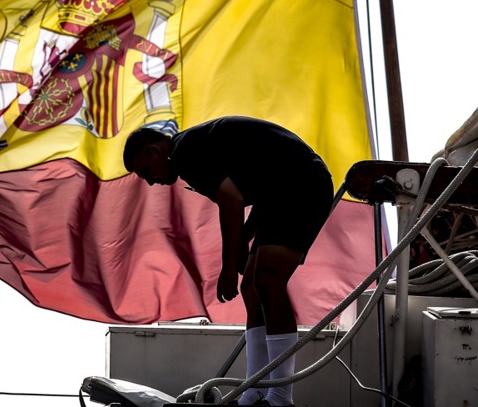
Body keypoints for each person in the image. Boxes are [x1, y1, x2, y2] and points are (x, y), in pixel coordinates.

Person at [122, 116, 334, 407]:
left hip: (299, 184)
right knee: (252, 289)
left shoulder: (185, 152)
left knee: (267, 283)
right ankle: (255, 391)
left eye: (146, 171)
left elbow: (231, 202)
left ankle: (281, 397)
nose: (151, 182)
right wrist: (242, 245)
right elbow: (250, 183)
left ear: (155, 151)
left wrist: (227, 269)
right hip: (275, 192)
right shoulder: (194, 147)